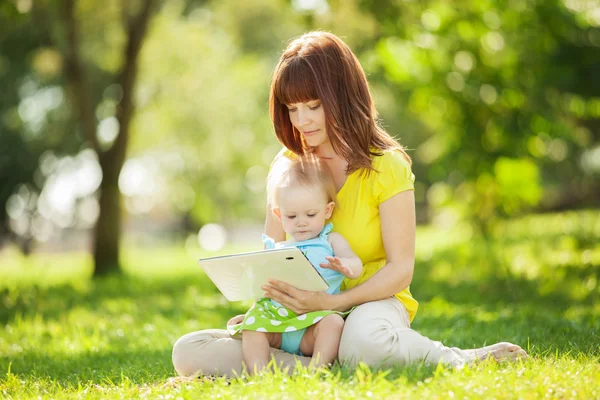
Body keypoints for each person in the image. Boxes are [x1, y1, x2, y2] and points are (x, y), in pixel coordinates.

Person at [172, 31, 528, 377]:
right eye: (292, 108)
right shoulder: (287, 167)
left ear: (343, 96)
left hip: (372, 303)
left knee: (364, 344)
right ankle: (324, 367)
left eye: (313, 105)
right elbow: (273, 259)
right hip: (302, 317)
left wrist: (331, 304)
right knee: (189, 350)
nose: (302, 121)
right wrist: (260, 312)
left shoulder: (386, 166)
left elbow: (400, 269)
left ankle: (459, 358)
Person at [232, 155, 363, 374]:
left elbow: (355, 262)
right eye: (291, 216)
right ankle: (259, 375)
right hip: (277, 324)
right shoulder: (277, 247)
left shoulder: (329, 240)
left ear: (327, 211)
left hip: (312, 324)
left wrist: (346, 266)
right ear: (279, 215)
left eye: (310, 214)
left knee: (333, 324)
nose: (301, 222)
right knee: (251, 326)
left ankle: (317, 370)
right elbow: (263, 286)